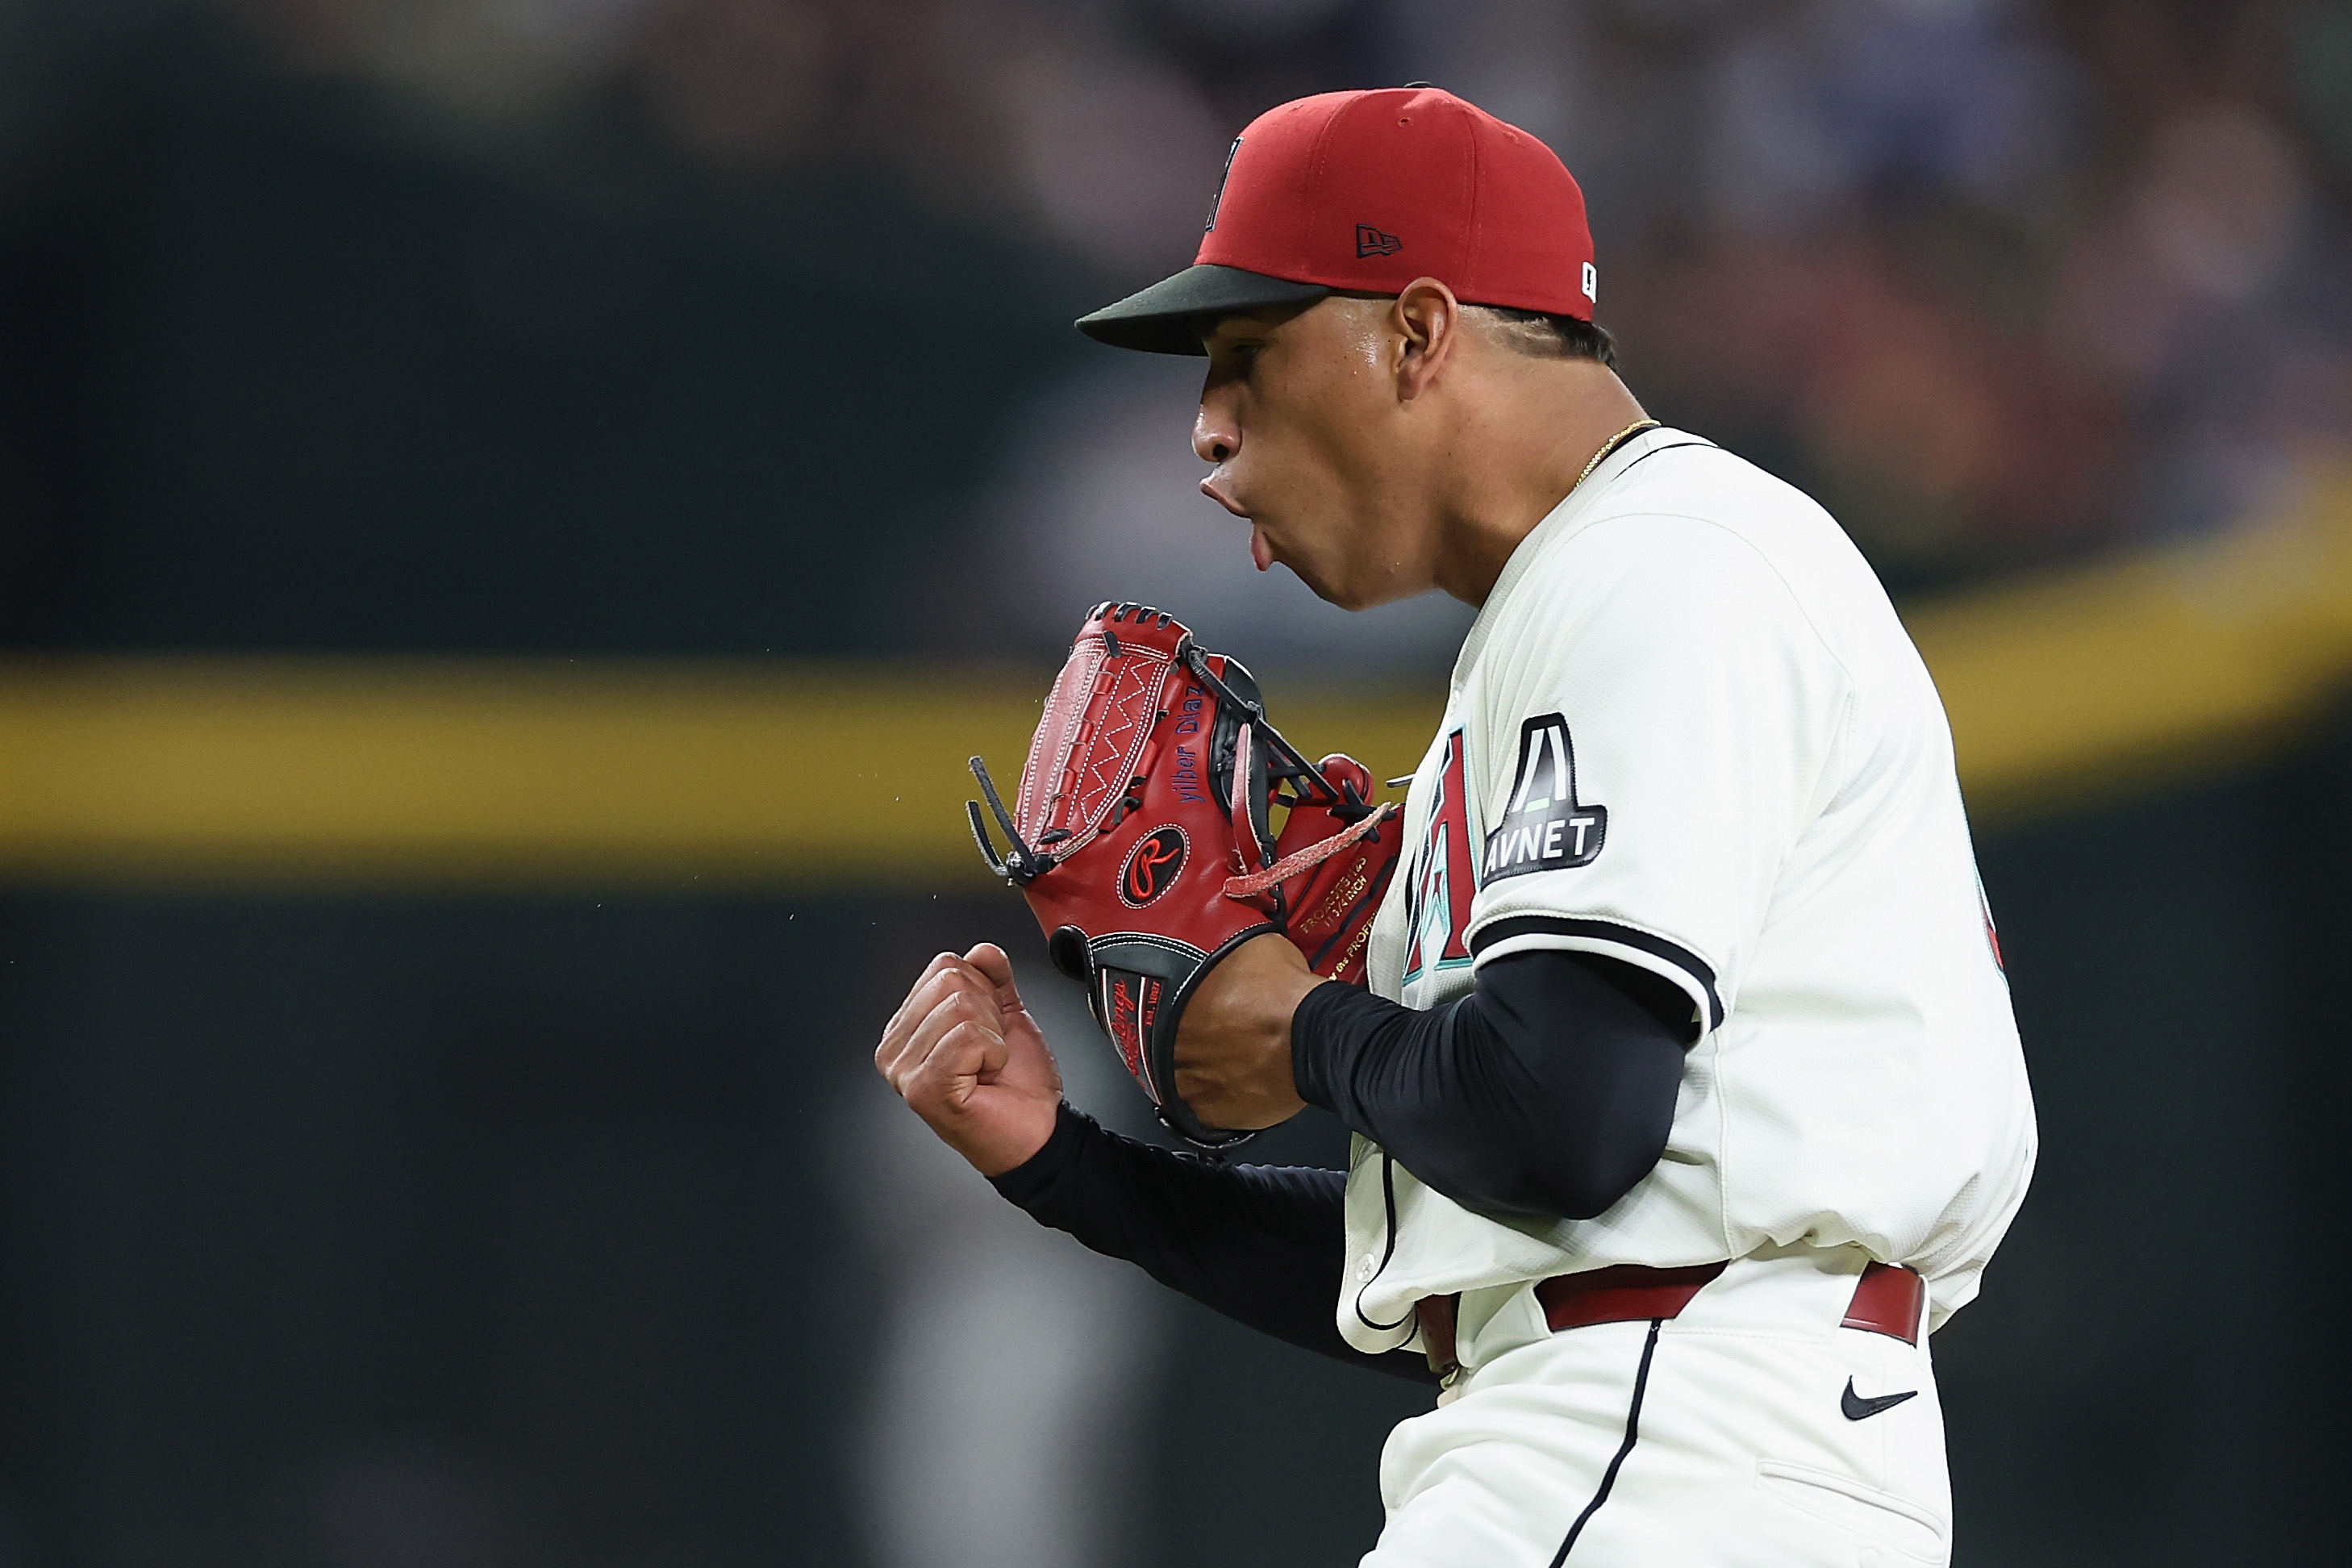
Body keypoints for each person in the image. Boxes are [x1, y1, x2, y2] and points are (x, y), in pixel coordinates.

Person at [874, 85, 2034, 1566]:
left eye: (1247, 358)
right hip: (1705, 1435)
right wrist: (1072, 1169)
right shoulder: (1630, 581)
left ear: (1418, 333)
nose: (1208, 430)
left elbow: (1565, 1124)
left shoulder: (1651, 566)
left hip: (1649, 1452)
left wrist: (1297, 1029)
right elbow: (1480, 1260)